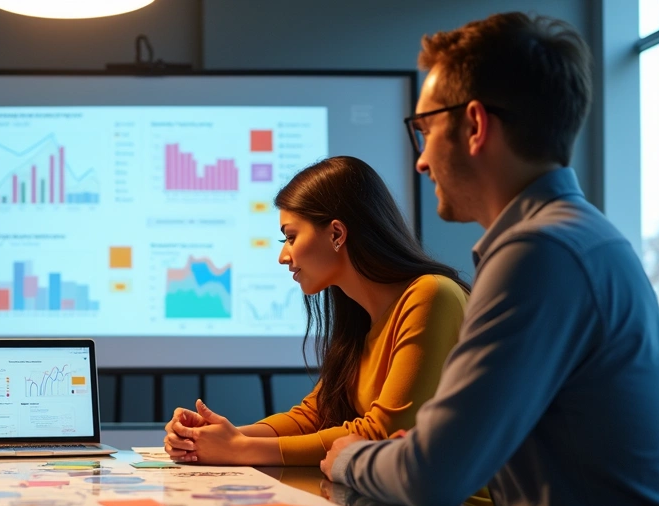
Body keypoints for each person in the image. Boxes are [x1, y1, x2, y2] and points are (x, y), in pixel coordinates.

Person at [320, 12, 659, 506]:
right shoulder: (572, 236)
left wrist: (347, 454)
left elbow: (433, 477)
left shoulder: (539, 252)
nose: (420, 160)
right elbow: (447, 454)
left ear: (474, 125)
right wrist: (423, 452)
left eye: (424, 128)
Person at [164, 157, 470, 468]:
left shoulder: (432, 294)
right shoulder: (362, 319)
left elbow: (383, 434)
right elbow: (313, 416)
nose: (284, 256)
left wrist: (239, 449)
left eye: (291, 237)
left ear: (337, 234)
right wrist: (214, 437)